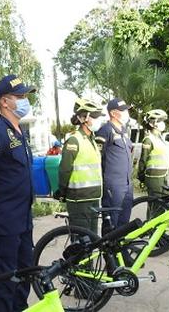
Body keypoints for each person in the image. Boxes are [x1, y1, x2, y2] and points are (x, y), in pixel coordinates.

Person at [0, 74, 36, 312]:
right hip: (3, 225)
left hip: (23, 221)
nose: (25, 101)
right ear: (4, 102)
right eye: (20, 97)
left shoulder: (19, 132)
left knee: (24, 279)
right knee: (4, 286)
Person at [56, 98, 104, 234]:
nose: (97, 120)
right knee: (81, 240)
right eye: (94, 117)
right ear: (83, 118)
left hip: (93, 197)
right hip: (79, 200)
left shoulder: (92, 139)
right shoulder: (74, 140)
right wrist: (62, 191)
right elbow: (65, 169)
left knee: (92, 237)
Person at [95, 97, 133, 233]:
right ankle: (108, 252)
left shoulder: (124, 132)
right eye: (122, 111)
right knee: (111, 221)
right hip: (113, 185)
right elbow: (98, 157)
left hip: (127, 184)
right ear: (113, 113)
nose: (126, 113)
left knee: (124, 221)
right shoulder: (105, 131)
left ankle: (120, 251)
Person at [138, 109, 169, 217]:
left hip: (163, 175)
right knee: (156, 206)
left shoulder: (160, 138)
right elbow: (143, 160)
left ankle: (158, 231)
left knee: (161, 205)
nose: (162, 123)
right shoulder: (148, 139)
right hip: (153, 177)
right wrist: (141, 177)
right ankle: (152, 231)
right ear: (153, 123)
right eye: (160, 120)